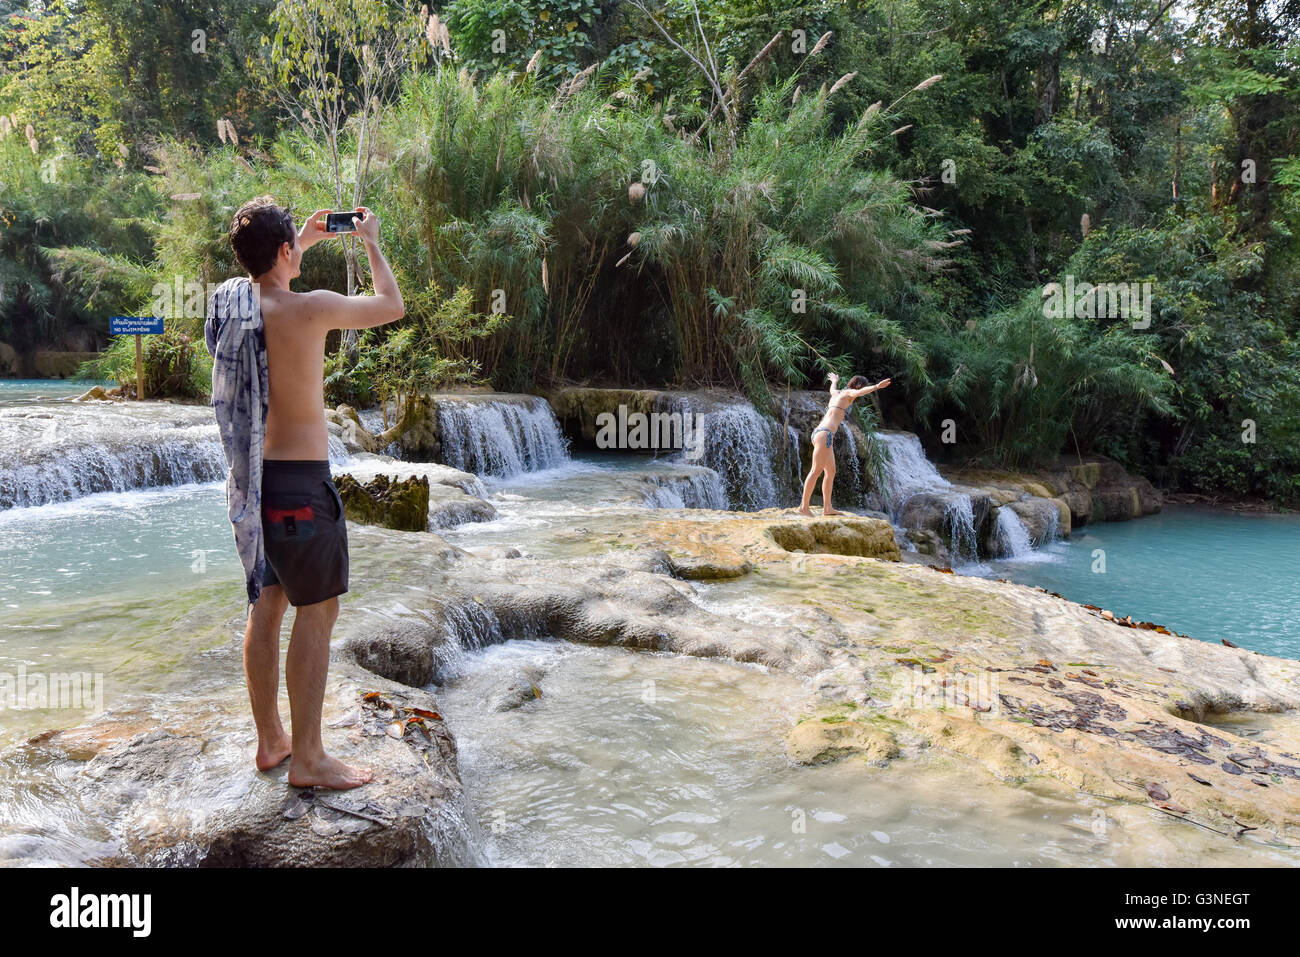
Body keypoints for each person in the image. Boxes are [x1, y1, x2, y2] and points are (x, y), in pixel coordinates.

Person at [206, 197, 404, 790]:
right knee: (317, 610)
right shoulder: (311, 309)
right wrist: (368, 240)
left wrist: (300, 244)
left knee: (267, 606)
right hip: (299, 485)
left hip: (254, 485)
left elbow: (263, 275)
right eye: (293, 243)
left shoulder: (229, 305)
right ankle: (310, 759)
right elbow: (391, 306)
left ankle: (272, 743)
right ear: (284, 251)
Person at [797, 372, 891, 517]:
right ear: (859, 384)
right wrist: (877, 386)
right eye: (862, 386)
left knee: (831, 471)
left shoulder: (837, 394)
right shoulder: (849, 392)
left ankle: (827, 508)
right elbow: (859, 392)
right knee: (816, 471)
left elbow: (832, 389)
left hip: (822, 434)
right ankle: (803, 507)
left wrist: (834, 380)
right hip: (825, 433)